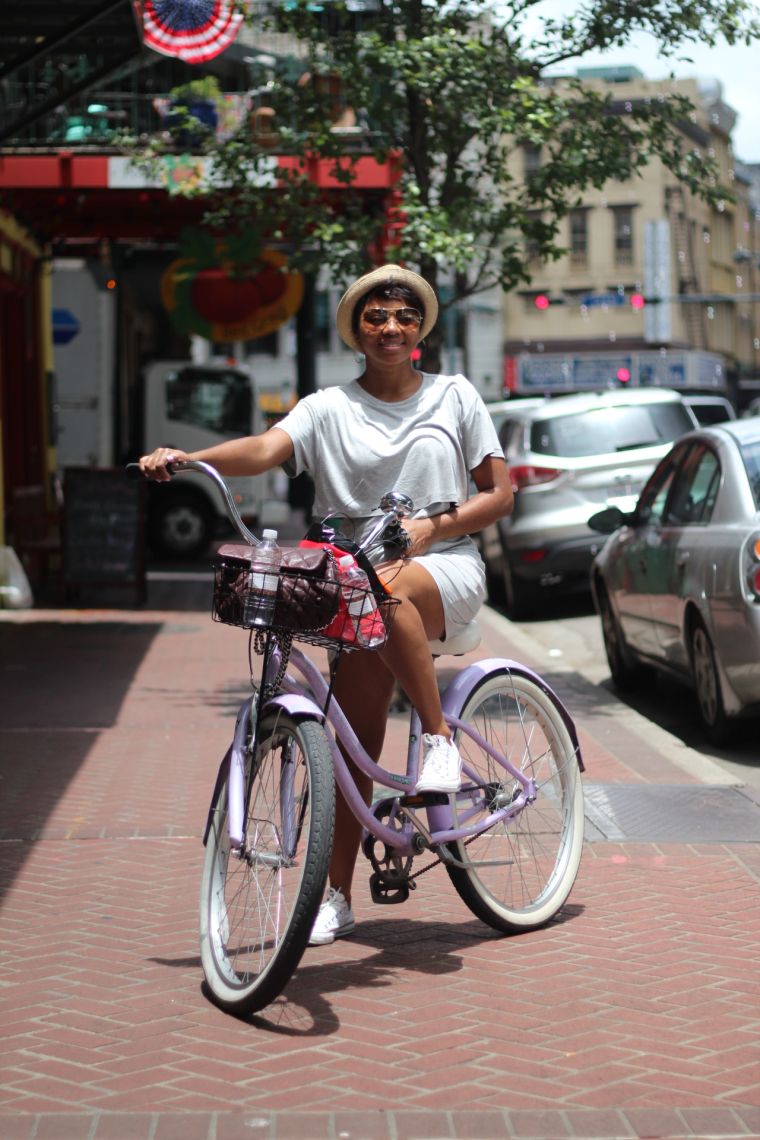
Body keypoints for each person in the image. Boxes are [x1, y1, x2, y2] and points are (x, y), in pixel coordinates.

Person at [139, 265, 514, 945]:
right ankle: (335, 896)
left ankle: (437, 740)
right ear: (357, 331)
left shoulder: (456, 396)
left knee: (390, 590)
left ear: (420, 328)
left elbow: (499, 494)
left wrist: (434, 526)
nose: (390, 327)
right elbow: (263, 448)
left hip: (440, 568)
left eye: (403, 316)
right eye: (376, 317)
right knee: (347, 743)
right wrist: (191, 459)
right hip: (354, 584)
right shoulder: (326, 408)